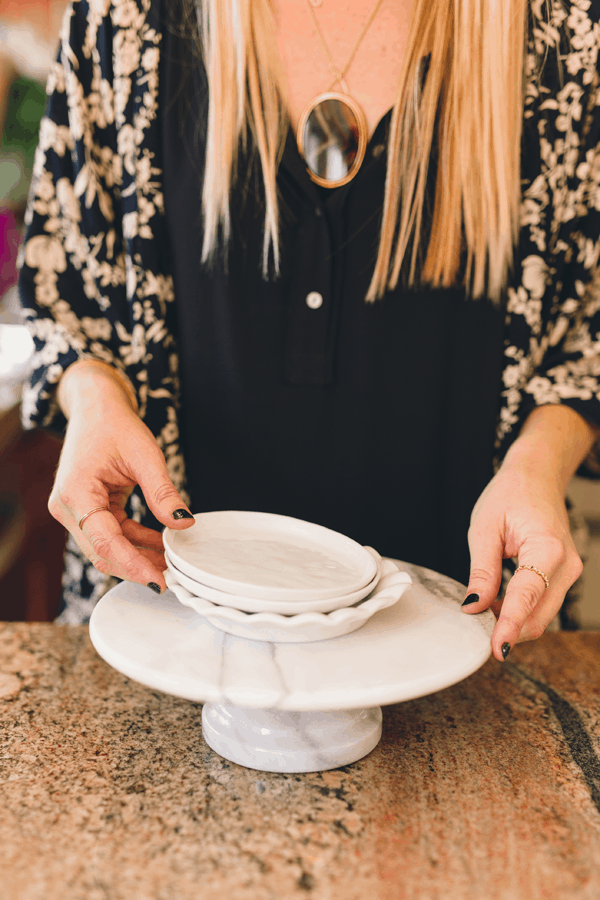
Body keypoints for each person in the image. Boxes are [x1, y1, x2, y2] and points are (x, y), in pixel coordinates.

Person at [18, 0, 600, 660]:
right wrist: (93, 399)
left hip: (469, 649)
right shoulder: (118, 21)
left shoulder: (564, 31)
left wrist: (541, 462)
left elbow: (586, 333)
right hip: (161, 638)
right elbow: (66, 301)